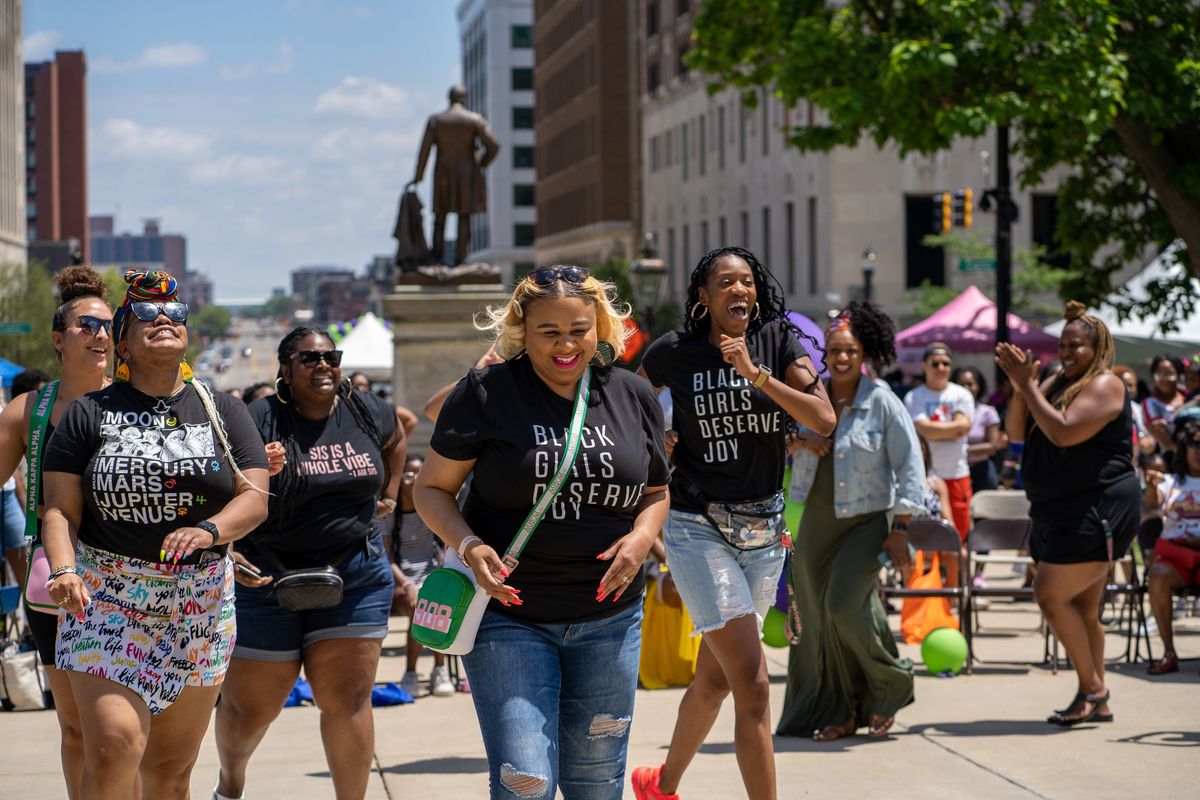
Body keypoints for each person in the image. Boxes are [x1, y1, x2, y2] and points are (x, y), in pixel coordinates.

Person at [414, 265, 671, 799]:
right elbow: (431, 489)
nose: (566, 346)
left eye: (578, 329)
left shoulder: (631, 394)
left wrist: (643, 537)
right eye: (548, 332)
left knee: (597, 783)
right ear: (521, 332)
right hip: (510, 620)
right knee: (525, 781)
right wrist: (469, 543)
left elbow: (656, 492)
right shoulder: (486, 393)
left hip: (610, 621)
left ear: (599, 326)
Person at [39, 269, 270, 797]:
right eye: (144, 314)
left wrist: (210, 531)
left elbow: (254, 497)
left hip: (198, 604)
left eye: (174, 313)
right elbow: (59, 512)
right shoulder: (88, 415)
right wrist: (65, 568)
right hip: (106, 598)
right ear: (122, 341)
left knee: (169, 773)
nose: (162, 318)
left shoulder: (222, 409)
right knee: (115, 746)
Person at [631, 246, 835, 800]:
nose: (738, 290)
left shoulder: (776, 342)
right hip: (697, 527)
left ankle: (661, 784)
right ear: (704, 295)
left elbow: (822, 418)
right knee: (754, 683)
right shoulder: (675, 351)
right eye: (725, 282)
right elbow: (625, 405)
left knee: (717, 677)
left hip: (765, 531)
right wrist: (657, 441)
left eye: (746, 281)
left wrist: (757, 375)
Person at [214, 327, 405, 800]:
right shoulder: (256, 419)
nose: (323, 365)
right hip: (267, 578)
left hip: (356, 573)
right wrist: (258, 471)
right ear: (285, 369)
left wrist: (391, 494)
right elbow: (215, 477)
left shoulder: (365, 409)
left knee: (348, 701)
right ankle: (230, 782)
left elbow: (398, 436)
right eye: (308, 358)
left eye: (330, 356)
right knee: (251, 709)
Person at [777, 301, 923, 742]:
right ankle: (840, 710)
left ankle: (891, 681)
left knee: (843, 605)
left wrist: (900, 530)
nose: (841, 359)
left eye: (850, 351)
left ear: (865, 354)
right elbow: (770, 439)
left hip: (866, 521)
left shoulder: (882, 403)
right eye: (834, 350)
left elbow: (911, 468)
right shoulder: (808, 395)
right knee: (817, 621)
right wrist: (799, 440)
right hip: (815, 518)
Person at [996, 300, 1139, 725]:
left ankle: (1093, 689)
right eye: (1062, 344)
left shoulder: (1106, 385)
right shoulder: (1058, 380)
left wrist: (1030, 385)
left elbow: (1061, 432)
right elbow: (1017, 433)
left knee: (1049, 594)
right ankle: (1096, 696)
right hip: (1058, 509)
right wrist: (1023, 388)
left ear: (1098, 349)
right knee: (1082, 607)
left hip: (1097, 509)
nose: (1066, 352)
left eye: (1076, 345)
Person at [0, 268, 111, 799]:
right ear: (58, 337)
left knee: (126, 729)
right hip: (55, 586)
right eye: (86, 325)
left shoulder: (144, 403)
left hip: (135, 578)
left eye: (110, 326)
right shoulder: (29, 410)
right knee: (75, 727)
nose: (101, 335)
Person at [904, 342, 974, 587]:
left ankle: (953, 596)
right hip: (925, 479)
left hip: (957, 476)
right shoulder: (914, 397)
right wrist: (951, 429)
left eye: (946, 363)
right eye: (935, 363)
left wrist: (934, 430)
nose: (941, 368)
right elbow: (921, 429)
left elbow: (964, 427)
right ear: (925, 366)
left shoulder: (961, 394)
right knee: (923, 546)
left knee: (956, 542)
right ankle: (927, 597)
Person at [385, 454, 454, 698]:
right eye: (407, 474)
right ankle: (411, 672)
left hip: (430, 576)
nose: (412, 480)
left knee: (434, 602)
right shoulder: (390, 512)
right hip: (400, 581)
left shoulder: (430, 507)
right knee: (421, 604)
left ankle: (439, 671)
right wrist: (406, 583)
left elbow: (446, 545)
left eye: (418, 474)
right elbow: (387, 557)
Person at [1142, 425, 1200, 674]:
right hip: (1176, 556)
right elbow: (1153, 504)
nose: (1199, 450)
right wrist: (1153, 487)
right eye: (1195, 444)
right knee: (1157, 575)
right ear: (1185, 448)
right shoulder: (1172, 481)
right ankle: (1168, 652)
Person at [951, 365, 1005, 493]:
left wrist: (962, 450)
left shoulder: (988, 412)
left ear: (979, 386)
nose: (966, 388)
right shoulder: (947, 412)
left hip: (982, 473)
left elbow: (993, 446)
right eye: (961, 384)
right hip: (954, 472)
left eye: (970, 384)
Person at [1143, 355, 1186, 451]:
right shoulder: (1150, 403)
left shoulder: (1188, 397)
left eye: (1169, 374)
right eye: (1159, 374)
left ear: (1178, 375)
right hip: (1171, 458)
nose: (1164, 379)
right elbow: (1164, 438)